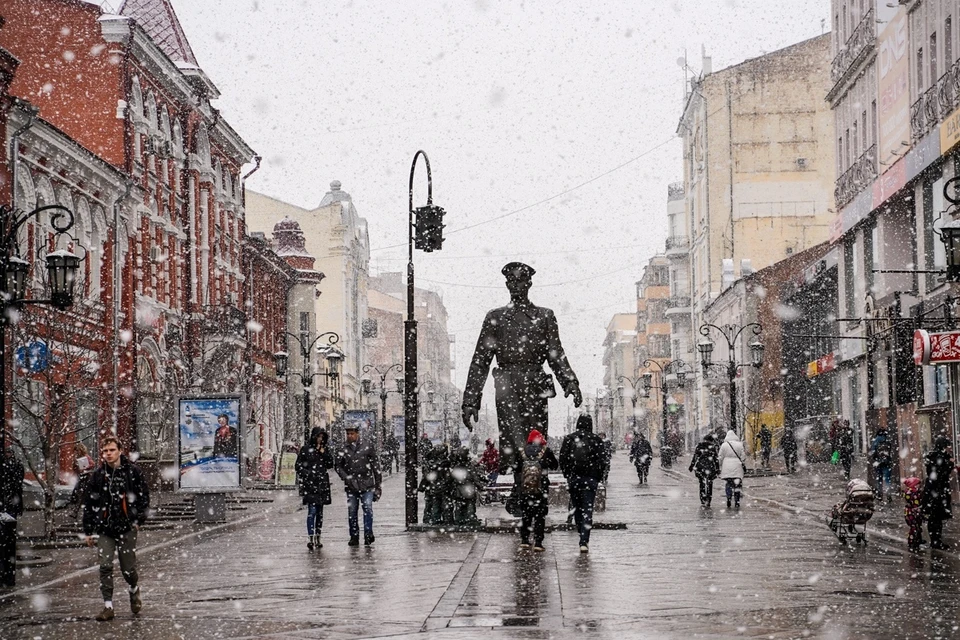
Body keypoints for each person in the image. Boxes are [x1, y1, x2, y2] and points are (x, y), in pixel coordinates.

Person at [462, 262, 583, 474]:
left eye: (519, 280)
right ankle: (515, 485)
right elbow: (480, 360)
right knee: (510, 439)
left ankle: (535, 483)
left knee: (535, 439)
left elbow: (555, 353)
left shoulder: (544, 316)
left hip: (536, 383)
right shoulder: (495, 317)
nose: (515, 285)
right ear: (506, 284)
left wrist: (570, 381)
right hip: (506, 383)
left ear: (529, 283)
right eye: (511, 281)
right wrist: (471, 399)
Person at [83, 436, 150, 622]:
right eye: (105, 451)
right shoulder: (97, 476)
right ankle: (108, 606)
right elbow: (89, 504)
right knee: (105, 566)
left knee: (128, 569)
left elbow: (143, 497)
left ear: (120, 450)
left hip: (127, 527)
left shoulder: (133, 472)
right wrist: (88, 530)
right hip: (106, 529)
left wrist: (138, 520)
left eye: (112, 450)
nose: (108, 454)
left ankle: (134, 588)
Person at [559, 415, 606, 553]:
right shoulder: (596, 439)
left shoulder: (570, 439)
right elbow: (603, 461)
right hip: (590, 479)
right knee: (587, 509)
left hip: (574, 479)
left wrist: (568, 475)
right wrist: (597, 476)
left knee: (577, 507)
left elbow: (563, 459)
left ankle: (581, 532)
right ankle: (584, 540)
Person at [335, 424, 382, 546]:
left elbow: (375, 466)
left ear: (357, 434)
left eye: (352, 433)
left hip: (366, 484)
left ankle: (368, 534)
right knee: (352, 511)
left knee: (367, 508)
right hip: (351, 485)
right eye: (348, 434)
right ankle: (354, 536)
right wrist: (346, 477)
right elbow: (338, 466)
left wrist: (378, 485)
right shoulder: (343, 448)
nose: (350, 436)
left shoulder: (367, 446)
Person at [516, 429, 558, 551]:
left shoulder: (522, 451)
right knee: (540, 515)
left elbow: (516, 468)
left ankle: (524, 540)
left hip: (525, 490)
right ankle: (538, 542)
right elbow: (555, 466)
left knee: (526, 514)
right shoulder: (545, 451)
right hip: (541, 489)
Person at [295, 427, 334, 550]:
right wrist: (308, 474)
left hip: (322, 484)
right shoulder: (306, 449)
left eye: (322, 437)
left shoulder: (324, 449)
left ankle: (318, 536)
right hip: (311, 484)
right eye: (318, 437)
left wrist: (324, 453)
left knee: (320, 512)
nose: (320, 439)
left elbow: (330, 464)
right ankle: (311, 537)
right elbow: (298, 466)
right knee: (312, 511)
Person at [922, 436, 955, 550]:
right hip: (938, 490)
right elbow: (941, 473)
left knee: (934, 516)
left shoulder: (933, 456)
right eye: (947, 446)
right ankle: (936, 541)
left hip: (933, 489)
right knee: (936, 516)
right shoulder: (939, 457)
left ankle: (935, 540)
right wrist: (950, 464)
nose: (949, 448)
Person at [0, 446, 24, 588]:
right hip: (10, 508)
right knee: (9, 544)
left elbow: (15, 486)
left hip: (9, 507)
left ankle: (7, 577)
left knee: (7, 543)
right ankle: (8, 578)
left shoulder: (12, 467)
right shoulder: (16, 466)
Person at [418, 444, 449, 524]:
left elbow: (426, 476)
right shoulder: (443, 463)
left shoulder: (431, 463)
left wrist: (422, 486)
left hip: (432, 487)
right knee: (439, 505)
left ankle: (431, 520)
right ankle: (438, 520)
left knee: (432, 505)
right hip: (437, 487)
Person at [689, 433, 720, 507]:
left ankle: (703, 499)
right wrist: (717, 468)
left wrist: (692, 465)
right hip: (710, 466)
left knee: (702, 483)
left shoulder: (700, 446)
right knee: (710, 483)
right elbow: (716, 459)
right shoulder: (712, 447)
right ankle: (709, 499)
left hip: (701, 466)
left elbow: (695, 457)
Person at [717, 430, 746, 509]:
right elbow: (743, 457)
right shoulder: (740, 445)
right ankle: (737, 501)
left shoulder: (724, 445)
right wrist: (741, 461)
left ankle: (729, 498)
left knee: (728, 484)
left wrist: (719, 465)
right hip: (737, 466)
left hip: (727, 466)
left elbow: (720, 457)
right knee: (737, 485)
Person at [870, 425, 895, 501]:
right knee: (887, 479)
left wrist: (876, 459)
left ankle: (880, 494)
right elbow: (890, 450)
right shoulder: (887, 439)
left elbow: (873, 451)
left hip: (878, 462)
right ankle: (888, 494)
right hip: (887, 462)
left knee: (879, 479)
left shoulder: (876, 440)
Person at [903, 477, 924, 551]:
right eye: (917, 484)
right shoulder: (911, 492)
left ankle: (916, 540)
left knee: (916, 526)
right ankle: (912, 541)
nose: (919, 486)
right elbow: (914, 502)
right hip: (912, 512)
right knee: (914, 527)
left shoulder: (913, 491)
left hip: (913, 512)